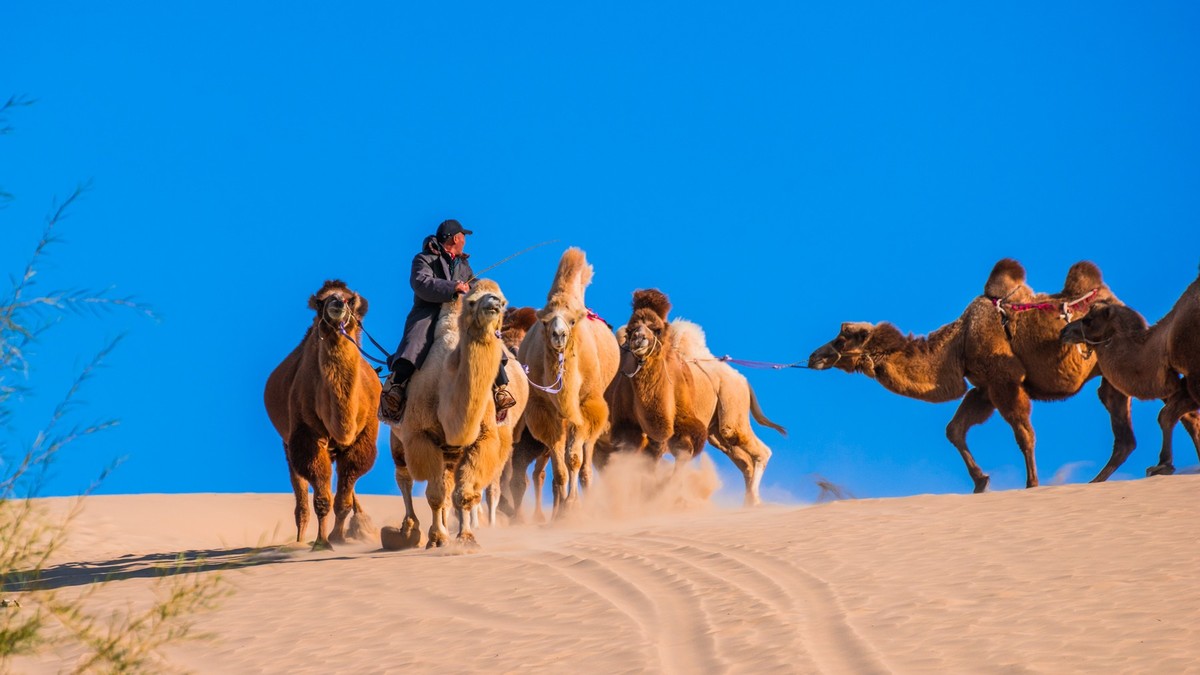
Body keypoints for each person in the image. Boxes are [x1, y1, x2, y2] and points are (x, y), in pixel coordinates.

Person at [378, 219, 514, 426]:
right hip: (429, 311)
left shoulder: (463, 265)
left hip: (460, 313)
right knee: (416, 339)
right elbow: (421, 282)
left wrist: (483, 293)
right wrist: (452, 288)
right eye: (463, 236)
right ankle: (398, 386)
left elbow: (473, 284)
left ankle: (500, 388)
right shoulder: (424, 259)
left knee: (484, 338)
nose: (465, 240)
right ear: (455, 238)